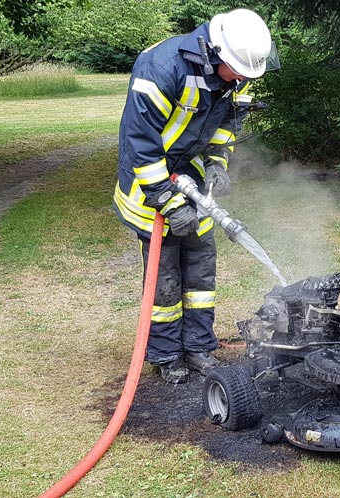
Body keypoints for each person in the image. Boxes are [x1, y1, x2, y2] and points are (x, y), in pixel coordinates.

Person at [112, 8, 273, 384]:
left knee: (201, 267)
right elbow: (140, 144)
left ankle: (199, 346)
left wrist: (217, 163)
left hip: (194, 182)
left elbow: (228, 122)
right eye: (238, 72)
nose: (242, 79)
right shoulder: (160, 70)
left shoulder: (237, 74)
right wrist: (167, 202)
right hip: (149, 184)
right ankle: (167, 355)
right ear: (215, 54)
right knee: (165, 274)